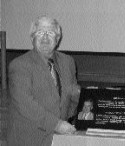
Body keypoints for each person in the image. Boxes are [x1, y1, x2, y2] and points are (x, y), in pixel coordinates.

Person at [7, 16, 81, 146]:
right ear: (32, 38)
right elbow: (25, 104)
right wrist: (57, 124)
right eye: (40, 33)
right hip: (28, 139)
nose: (45, 38)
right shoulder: (19, 65)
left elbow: (73, 96)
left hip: (59, 139)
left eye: (50, 33)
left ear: (57, 39)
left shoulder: (68, 62)